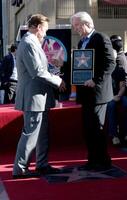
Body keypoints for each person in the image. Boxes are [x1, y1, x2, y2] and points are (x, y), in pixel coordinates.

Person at [12, 14, 66, 179]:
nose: (45, 32)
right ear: (37, 27)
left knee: (41, 133)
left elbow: (40, 70)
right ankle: (20, 169)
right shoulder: (28, 43)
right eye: (45, 29)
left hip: (39, 96)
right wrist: (58, 81)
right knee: (31, 133)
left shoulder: (33, 42)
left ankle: (41, 165)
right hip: (33, 96)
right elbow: (37, 71)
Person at [70, 12, 116, 171]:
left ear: (85, 23)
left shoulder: (101, 37)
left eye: (76, 25)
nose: (75, 29)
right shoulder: (81, 42)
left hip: (98, 93)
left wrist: (95, 80)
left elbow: (111, 64)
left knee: (97, 128)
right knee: (88, 128)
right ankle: (92, 160)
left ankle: (103, 161)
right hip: (85, 93)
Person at [107, 35, 127, 145]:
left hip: (120, 93)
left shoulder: (120, 65)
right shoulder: (106, 66)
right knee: (111, 106)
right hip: (108, 95)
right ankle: (114, 135)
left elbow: (123, 84)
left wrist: (118, 95)